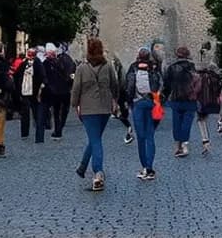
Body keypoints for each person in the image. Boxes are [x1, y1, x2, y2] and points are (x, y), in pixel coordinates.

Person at [71, 38, 120, 191]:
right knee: (95, 138)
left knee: (95, 140)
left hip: (88, 109)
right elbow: (115, 85)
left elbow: (76, 89)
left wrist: (75, 104)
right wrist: (115, 100)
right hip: (104, 108)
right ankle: (82, 166)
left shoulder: (81, 68)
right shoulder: (108, 66)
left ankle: (98, 173)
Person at [125, 47, 161, 180]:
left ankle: (145, 167)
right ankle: (150, 167)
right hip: (152, 102)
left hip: (138, 103)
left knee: (141, 137)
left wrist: (128, 101)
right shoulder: (154, 68)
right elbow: (160, 84)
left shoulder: (133, 67)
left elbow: (129, 86)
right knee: (150, 136)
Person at [162, 46, 198, 159]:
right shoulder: (192, 67)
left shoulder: (171, 68)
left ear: (177, 55)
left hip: (176, 98)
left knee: (176, 122)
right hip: (190, 99)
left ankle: (177, 145)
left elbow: (166, 84)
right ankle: (184, 144)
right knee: (187, 122)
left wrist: (164, 97)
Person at [11, 46, 45, 143]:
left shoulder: (38, 63)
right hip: (25, 91)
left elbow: (42, 76)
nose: (29, 56)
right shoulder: (24, 63)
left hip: (34, 92)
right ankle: (24, 133)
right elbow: (17, 75)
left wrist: (40, 88)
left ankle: (39, 135)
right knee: (25, 114)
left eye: (31, 54)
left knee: (36, 113)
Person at [193, 62, 222, 154]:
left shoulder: (201, 77)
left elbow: (197, 89)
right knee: (218, 115)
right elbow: (221, 91)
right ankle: (220, 126)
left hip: (203, 101)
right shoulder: (218, 78)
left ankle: (205, 140)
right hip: (215, 102)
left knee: (201, 120)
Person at [42, 44, 72, 140]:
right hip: (63, 90)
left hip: (56, 90)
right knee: (62, 110)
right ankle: (59, 128)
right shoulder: (66, 59)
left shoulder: (47, 63)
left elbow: (44, 77)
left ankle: (58, 129)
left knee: (57, 111)